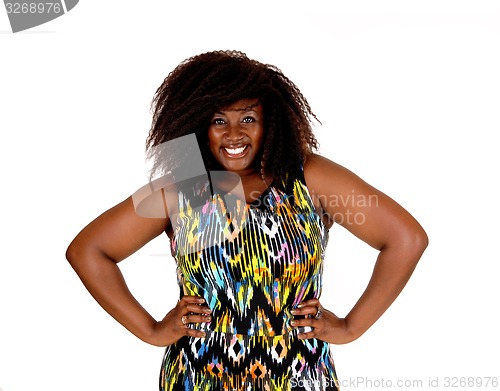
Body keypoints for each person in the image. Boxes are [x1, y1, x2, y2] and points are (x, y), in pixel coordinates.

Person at [66, 50, 428, 391]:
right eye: (219, 120)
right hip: (198, 377)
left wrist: (351, 328)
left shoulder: (310, 177)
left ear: (271, 122)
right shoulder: (182, 188)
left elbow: (405, 239)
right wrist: (151, 330)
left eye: (248, 119)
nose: (234, 133)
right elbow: (89, 250)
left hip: (298, 377)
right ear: (197, 126)